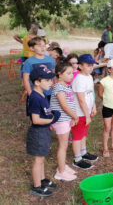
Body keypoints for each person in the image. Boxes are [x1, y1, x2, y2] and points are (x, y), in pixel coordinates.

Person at [26, 66, 60, 197]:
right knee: (38, 160)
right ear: (37, 82)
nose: (50, 82)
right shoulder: (35, 97)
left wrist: (50, 117)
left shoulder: (43, 95)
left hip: (44, 131)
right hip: (38, 132)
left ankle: (42, 179)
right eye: (47, 80)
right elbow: (35, 120)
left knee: (42, 158)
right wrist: (51, 119)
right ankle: (36, 186)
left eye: (51, 80)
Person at [49, 60, 78, 181]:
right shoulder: (59, 87)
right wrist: (75, 116)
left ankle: (63, 166)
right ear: (60, 74)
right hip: (61, 120)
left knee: (64, 145)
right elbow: (64, 106)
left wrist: (72, 117)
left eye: (72, 73)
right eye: (68, 73)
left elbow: (70, 104)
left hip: (66, 119)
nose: (71, 75)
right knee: (63, 145)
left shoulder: (66, 85)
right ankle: (60, 172)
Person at [71, 54, 98, 169]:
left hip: (86, 112)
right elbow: (81, 100)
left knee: (84, 134)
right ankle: (77, 159)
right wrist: (87, 115)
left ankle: (83, 152)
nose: (91, 67)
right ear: (80, 66)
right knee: (77, 136)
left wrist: (94, 106)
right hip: (79, 113)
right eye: (88, 65)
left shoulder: (89, 77)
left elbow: (91, 93)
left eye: (92, 65)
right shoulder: (79, 79)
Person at [22, 37, 56, 102]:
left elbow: (54, 76)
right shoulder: (29, 62)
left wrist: (55, 88)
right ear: (32, 48)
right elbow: (25, 80)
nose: (42, 47)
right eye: (39, 46)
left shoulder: (51, 60)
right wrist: (31, 94)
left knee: (49, 111)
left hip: (50, 93)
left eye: (44, 45)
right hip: (36, 93)